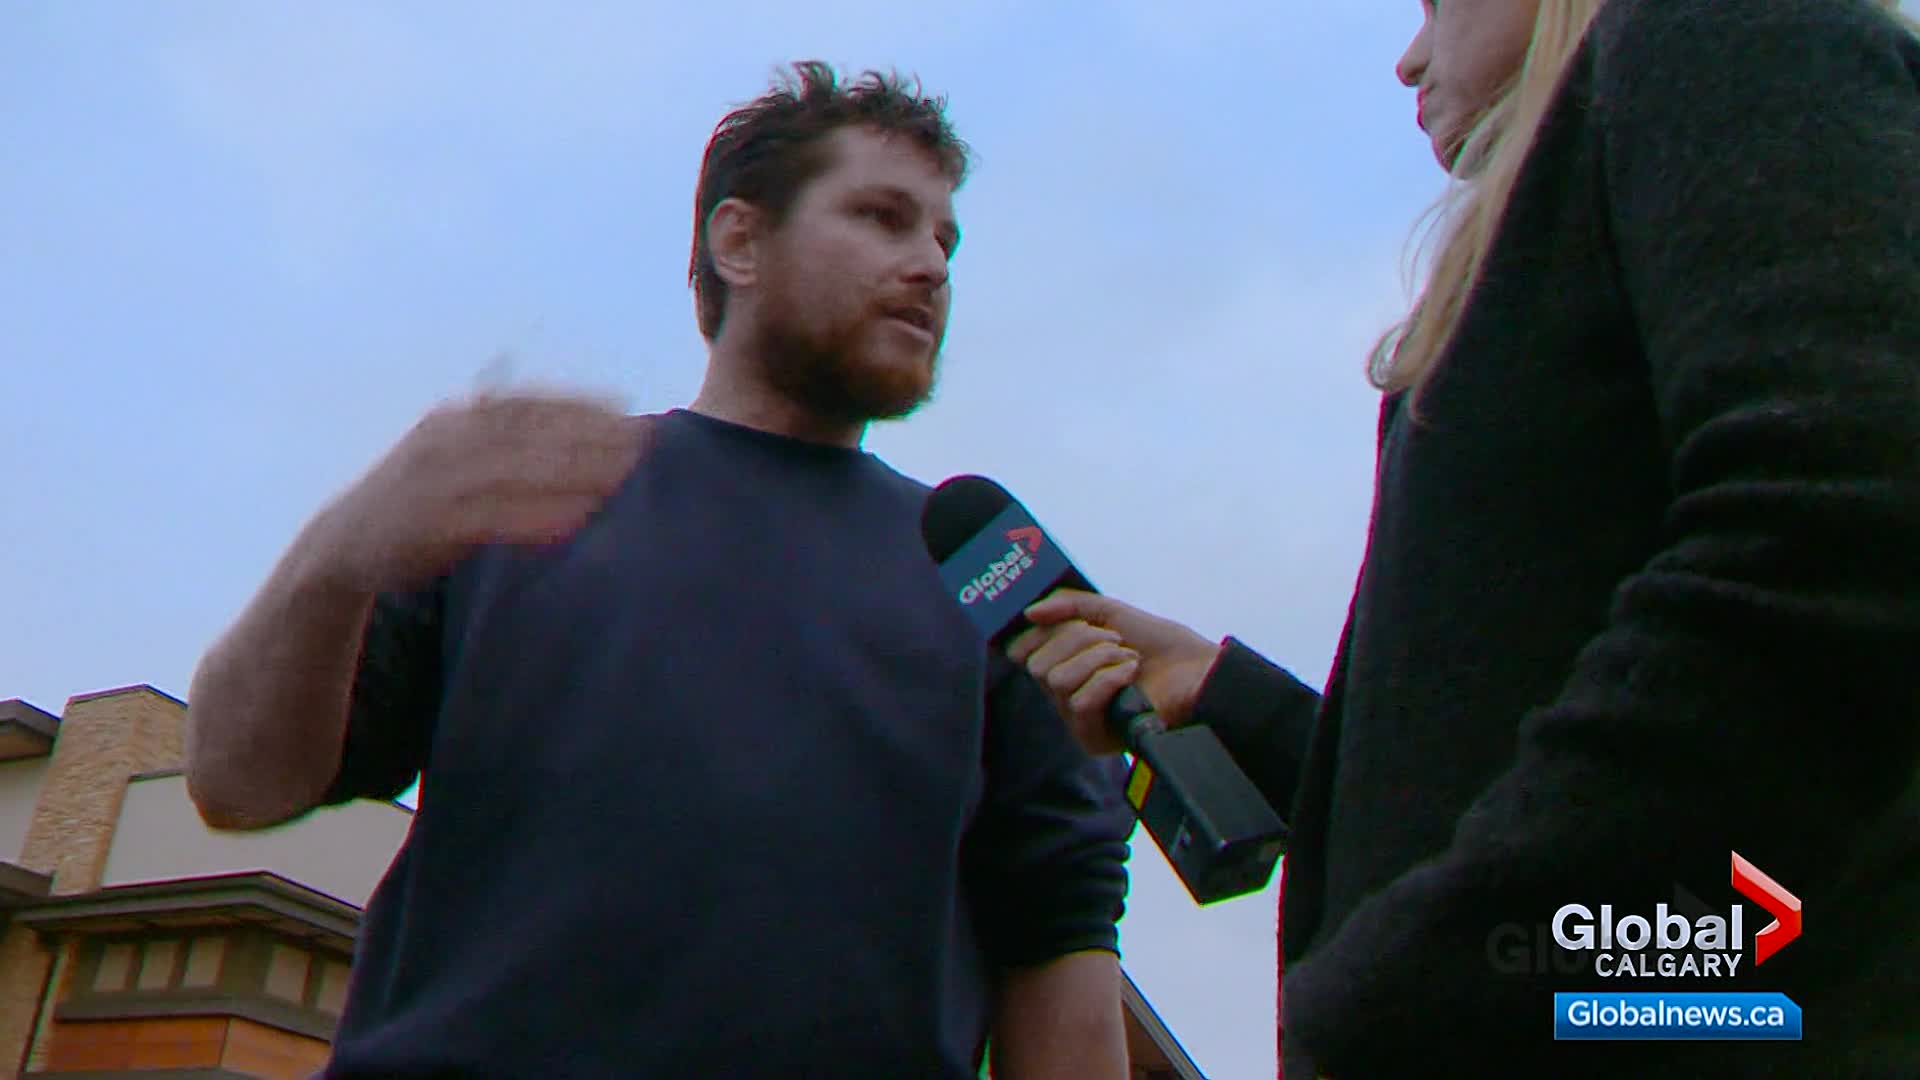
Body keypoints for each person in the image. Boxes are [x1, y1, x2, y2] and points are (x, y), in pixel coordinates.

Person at [1010, 0, 1920, 1076]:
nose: (1408, 59)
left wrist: (1417, 985)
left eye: (1437, 5)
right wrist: (1227, 698)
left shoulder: (1729, 30)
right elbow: (1476, 786)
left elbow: (1840, 534)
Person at [183, 61, 1134, 1079]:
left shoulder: (990, 572)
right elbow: (237, 784)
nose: (931, 266)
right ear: (739, 241)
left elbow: (1062, 936)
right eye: (882, 218)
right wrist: (342, 550)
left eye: (946, 240)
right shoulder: (523, 499)